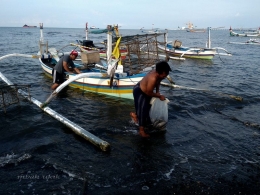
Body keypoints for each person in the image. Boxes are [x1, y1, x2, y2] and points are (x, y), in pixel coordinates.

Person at [130, 61, 172, 137]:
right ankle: (141, 131)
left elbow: (158, 82)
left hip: (145, 90)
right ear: (160, 72)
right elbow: (148, 92)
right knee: (143, 110)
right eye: (165, 74)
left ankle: (135, 115)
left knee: (146, 108)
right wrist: (159, 96)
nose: (166, 76)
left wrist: (158, 92)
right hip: (140, 91)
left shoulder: (159, 75)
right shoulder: (153, 78)